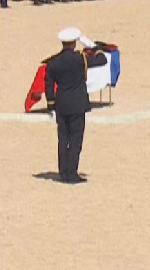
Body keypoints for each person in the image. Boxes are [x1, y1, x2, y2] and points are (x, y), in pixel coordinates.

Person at [44, 27, 108, 184]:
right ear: (74, 43)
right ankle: (71, 173)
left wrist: (51, 104)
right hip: (77, 103)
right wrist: (94, 47)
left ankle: (63, 171)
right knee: (75, 139)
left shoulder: (53, 62)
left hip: (62, 104)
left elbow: (48, 84)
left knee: (63, 138)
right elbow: (102, 60)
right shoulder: (81, 59)